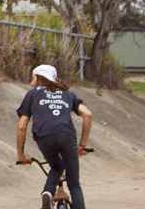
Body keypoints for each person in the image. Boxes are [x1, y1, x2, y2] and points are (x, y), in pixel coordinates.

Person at [16, 64, 92, 209]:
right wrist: (83, 144)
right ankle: (50, 193)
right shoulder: (68, 95)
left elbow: (21, 126)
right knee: (74, 184)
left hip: (44, 137)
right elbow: (87, 114)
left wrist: (21, 156)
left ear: (40, 78)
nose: (31, 83)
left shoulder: (32, 94)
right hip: (67, 135)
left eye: (33, 78)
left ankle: (48, 192)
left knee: (57, 165)